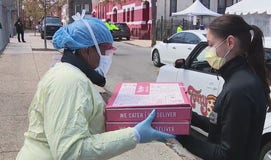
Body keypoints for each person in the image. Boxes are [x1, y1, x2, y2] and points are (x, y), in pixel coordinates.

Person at [16, 11, 174, 160]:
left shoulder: (72, 75)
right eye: (105, 51)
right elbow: (71, 152)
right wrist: (134, 135)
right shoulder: (69, 81)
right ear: (86, 51)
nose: (108, 58)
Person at [176, 15, 271, 160]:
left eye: (210, 44)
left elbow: (227, 155)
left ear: (230, 42)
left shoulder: (240, 89)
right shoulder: (237, 78)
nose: (208, 51)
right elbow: (219, 126)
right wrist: (185, 116)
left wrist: (181, 137)